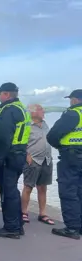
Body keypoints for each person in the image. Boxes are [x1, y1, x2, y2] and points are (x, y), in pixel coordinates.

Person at [0, 82, 30, 239]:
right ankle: (17, 225)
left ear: (6, 94)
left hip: (9, 155)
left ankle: (11, 227)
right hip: (19, 154)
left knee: (8, 193)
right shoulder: (22, 109)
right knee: (13, 190)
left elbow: (4, 138)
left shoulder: (9, 110)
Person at [47, 89, 82, 240]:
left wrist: (61, 147)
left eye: (71, 99)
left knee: (68, 191)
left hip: (71, 156)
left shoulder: (73, 113)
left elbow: (52, 135)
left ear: (75, 100)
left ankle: (72, 228)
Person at [21, 104, 54, 225]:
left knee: (43, 187)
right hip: (33, 160)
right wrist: (26, 155)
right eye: (40, 109)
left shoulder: (45, 124)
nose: (43, 111)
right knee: (28, 187)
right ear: (33, 112)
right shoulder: (27, 125)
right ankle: (24, 212)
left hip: (46, 159)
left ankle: (43, 213)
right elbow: (21, 141)